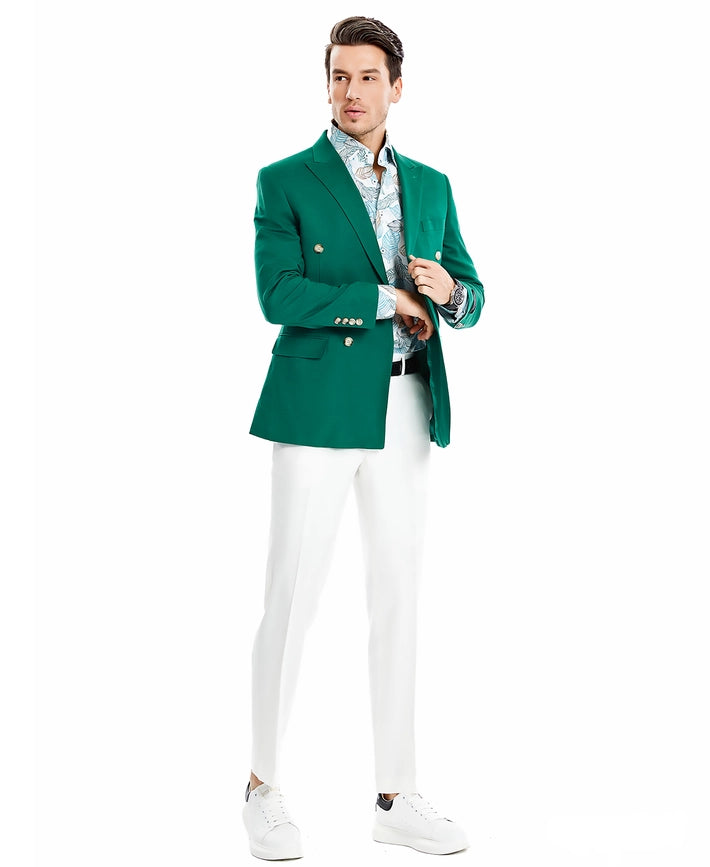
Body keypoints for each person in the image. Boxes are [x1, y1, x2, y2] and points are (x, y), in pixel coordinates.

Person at [242, 15, 485, 860]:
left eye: (368, 77)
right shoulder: (286, 179)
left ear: (397, 87)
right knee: (292, 597)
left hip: (408, 402)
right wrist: (389, 299)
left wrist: (448, 292)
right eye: (339, 76)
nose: (351, 92)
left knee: (398, 597)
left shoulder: (433, 184)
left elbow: (473, 294)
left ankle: (396, 793)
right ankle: (262, 786)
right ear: (328, 83)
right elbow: (278, 293)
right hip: (317, 409)